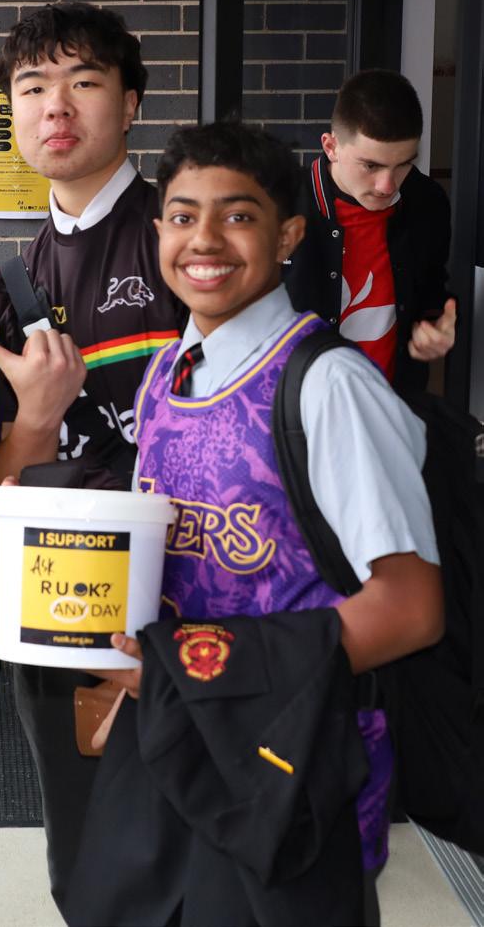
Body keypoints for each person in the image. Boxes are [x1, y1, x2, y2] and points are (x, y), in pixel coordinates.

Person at [66, 122, 443, 926]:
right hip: (175, 746)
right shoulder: (166, 374)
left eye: (238, 215)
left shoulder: (328, 385)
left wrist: (200, 672)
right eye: (182, 216)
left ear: (288, 236)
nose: (204, 239)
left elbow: (411, 608)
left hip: (290, 763)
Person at [0, 2, 187, 913]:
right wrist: (33, 420)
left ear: (130, 103)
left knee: (203, 855)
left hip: (193, 610)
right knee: (89, 863)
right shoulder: (7, 288)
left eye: (84, 81)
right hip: (60, 613)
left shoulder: (187, 239)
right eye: (32, 88)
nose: (55, 106)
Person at [285, 68, 455, 394]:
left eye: (403, 164)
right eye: (371, 166)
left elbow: (432, 286)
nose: (387, 186)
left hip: (389, 405)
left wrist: (435, 324)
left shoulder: (427, 202)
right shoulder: (282, 205)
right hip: (296, 408)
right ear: (331, 147)